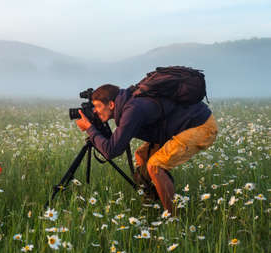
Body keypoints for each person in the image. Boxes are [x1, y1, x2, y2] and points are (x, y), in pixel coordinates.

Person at [75, 84, 218, 214]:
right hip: (182, 125)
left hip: (201, 126)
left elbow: (111, 151)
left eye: (98, 106)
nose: (95, 112)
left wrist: (90, 129)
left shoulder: (132, 110)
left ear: (111, 104)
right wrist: (95, 129)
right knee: (141, 156)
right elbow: (115, 143)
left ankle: (173, 218)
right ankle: (153, 204)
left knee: (155, 166)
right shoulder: (128, 101)